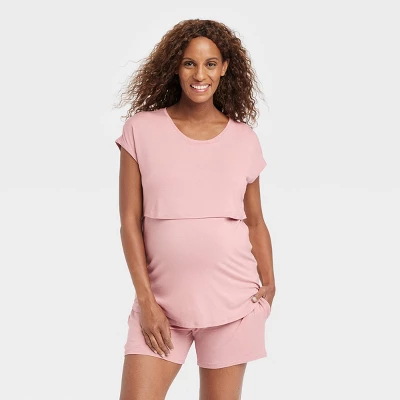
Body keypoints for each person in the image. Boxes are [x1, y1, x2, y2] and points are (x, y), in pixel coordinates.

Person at [114, 18, 276, 400]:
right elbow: (129, 222)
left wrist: (270, 284)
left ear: (225, 68)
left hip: (232, 307)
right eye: (189, 63)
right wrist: (146, 302)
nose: (200, 75)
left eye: (210, 63)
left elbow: (255, 222)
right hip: (160, 306)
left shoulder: (244, 139)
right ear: (176, 66)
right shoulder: (141, 130)